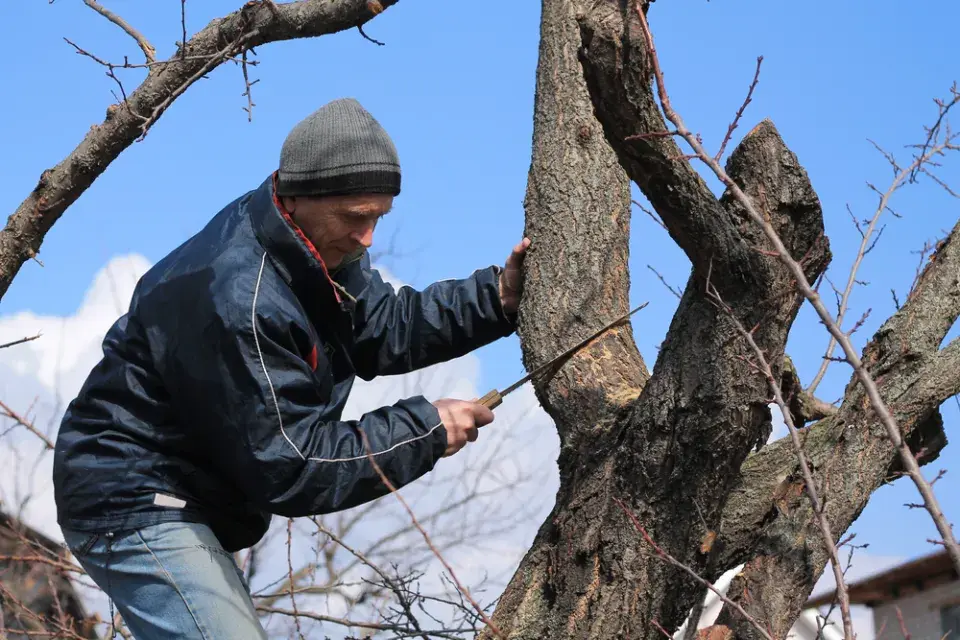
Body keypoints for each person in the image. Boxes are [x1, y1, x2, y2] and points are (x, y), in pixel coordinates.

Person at [52, 97, 530, 639]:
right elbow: (293, 464)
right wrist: (424, 429)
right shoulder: (240, 295)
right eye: (356, 218)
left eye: (379, 217)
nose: (369, 237)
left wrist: (495, 299)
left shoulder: (311, 248)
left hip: (193, 493)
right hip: (134, 496)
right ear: (297, 194)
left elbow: (381, 328)